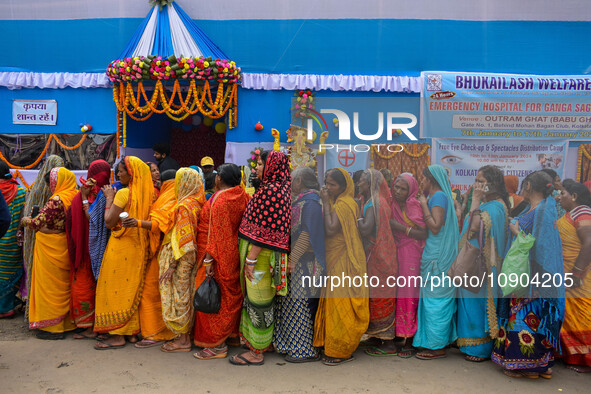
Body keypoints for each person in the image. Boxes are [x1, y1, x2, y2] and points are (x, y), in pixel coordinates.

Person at [493, 171, 565, 379]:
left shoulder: (543, 210)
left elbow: (539, 245)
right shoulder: (535, 208)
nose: (523, 188)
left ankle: (527, 365)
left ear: (530, 186)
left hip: (533, 277)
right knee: (528, 317)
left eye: (524, 185)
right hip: (526, 273)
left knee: (525, 318)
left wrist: (516, 232)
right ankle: (539, 365)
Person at [230, 150, 291, 366]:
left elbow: (265, 229)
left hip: (261, 256)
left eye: (260, 164)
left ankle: (256, 351)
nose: (256, 168)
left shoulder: (272, 190)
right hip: (266, 256)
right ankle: (263, 342)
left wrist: (251, 259)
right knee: (261, 300)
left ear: (271, 166)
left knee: (258, 301)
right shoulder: (280, 187)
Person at [94, 156, 153, 349]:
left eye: (120, 171)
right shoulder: (149, 193)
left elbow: (109, 222)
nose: (118, 174)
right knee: (132, 288)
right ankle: (131, 333)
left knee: (115, 289)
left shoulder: (124, 193)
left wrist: (110, 198)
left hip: (121, 246)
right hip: (139, 246)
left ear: (131, 173)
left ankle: (117, 335)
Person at [193, 164, 250, 359]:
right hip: (236, 253)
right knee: (230, 297)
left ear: (219, 179)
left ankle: (217, 345)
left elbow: (215, 234)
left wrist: (209, 261)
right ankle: (231, 336)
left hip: (218, 256)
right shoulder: (241, 194)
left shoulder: (219, 199)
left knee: (213, 299)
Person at [314, 168, 369, 365]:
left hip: (343, 259)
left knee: (340, 304)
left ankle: (340, 349)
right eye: (327, 183)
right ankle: (331, 343)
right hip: (336, 257)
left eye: (332, 185)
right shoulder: (342, 201)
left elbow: (330, 229)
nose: (328, 187)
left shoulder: (344, 204)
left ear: (344, 187)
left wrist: (326, 202)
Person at [457, 166, 509, 362]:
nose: (476, 184)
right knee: (470, 303)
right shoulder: (491, 204)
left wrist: (475, 200)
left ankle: (479, 348)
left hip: (482, 266)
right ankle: (468, 342)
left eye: (481, 181)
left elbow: (474, 227)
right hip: (476, 262)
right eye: (476, 180)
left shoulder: (494, 206)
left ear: (492, 184)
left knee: (477, 305)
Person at [273, 166, 326, 363]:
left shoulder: (311, 203)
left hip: (303, 262)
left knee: (299, 303)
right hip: (296, 259)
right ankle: (291, 344)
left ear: (300, 181)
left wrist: (292, 260)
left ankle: (304, 349)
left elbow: (306, 234)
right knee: (291, 303)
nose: (290, 184)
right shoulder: (302, 201)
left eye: (293, 180)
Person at [22, 167, 78, 339]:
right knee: (63, 286)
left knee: (49, 287)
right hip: (65, 243)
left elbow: (37, 223)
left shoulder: (56, 200)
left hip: (50, 247)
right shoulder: (75, 196)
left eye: (50, 184)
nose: (50, 187)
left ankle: (53, 328)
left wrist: (26, 220)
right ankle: (67, 324)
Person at [156, 167, 206, 352]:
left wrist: (172, 265)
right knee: (186, 293)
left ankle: (183, 340)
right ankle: (184, 335)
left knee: (179, 296)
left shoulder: (184, 206)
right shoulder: (197, 203)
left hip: (181, 258)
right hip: (191, 257)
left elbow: (184, 240)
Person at [413, 165, 459, 360]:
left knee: (436, 300)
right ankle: (434, 341)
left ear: (430, 180)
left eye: (423, 179)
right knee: (435, 298)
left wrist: (423, 205)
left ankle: (436, 346)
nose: (421, 182)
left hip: (438, 256)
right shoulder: (439, 196)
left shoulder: (438, 196)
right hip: (436, 252)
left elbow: (435, 227)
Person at [65, 159, 111, 339]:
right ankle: (94, 325)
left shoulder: (99, 195)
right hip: (102, 251)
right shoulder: (109, 193)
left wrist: (83, 197)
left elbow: (90, 218)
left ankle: (91, 326)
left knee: (84, 287)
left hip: (88, 253)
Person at [133, 169, 177, 348]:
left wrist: (136, 223)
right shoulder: (174, 196)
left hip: (163, 253)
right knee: (166, 293)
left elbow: (158, 225)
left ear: (166, 183)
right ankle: (167, 331)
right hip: (170, 253)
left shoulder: (168, 197)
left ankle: (155, 333)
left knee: (151, 293)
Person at [357, 169, 398, 356]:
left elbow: (366, 229)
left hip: (377, 255)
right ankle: (376, 335)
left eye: (362, 182)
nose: (359, 184)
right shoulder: (377, 201)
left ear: (370, 184)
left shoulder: (374, 202)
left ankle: (387, 342)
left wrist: (355, 217)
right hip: (379, 254)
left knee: (380, 295)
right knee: (376, 295)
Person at [22, 154, 64, 319]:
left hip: (38, 232)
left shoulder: (40, 185)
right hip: (41, 233)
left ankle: (32, 309)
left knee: (35, 273)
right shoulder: (49, 190)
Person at [389, 173, 427, 357]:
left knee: (409, 294)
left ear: (410, 190)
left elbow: (424, 233)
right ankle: (398, 334)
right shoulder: (392, 203)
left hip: (411, 253)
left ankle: (410, 339)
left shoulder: (413, 205)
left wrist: (400, 227)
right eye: (396, 187)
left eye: (403, 189)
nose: (397, 191)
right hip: (397, 251)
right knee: (398, 293)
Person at [557, 179, 591, 372]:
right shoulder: (572, 213)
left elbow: (589, 243)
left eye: (563, 194)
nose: (560, 197)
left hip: (579, 277)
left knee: (583, 315)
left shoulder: (582, 211)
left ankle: (585, 360)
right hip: (567, 273)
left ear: (575, 197)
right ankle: (573, 356)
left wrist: (576, 273)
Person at [0, 163, 26, 318]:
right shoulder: (21, 193)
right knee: (8, 274)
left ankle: (4, 309)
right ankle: (8, 305)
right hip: (13, 244)